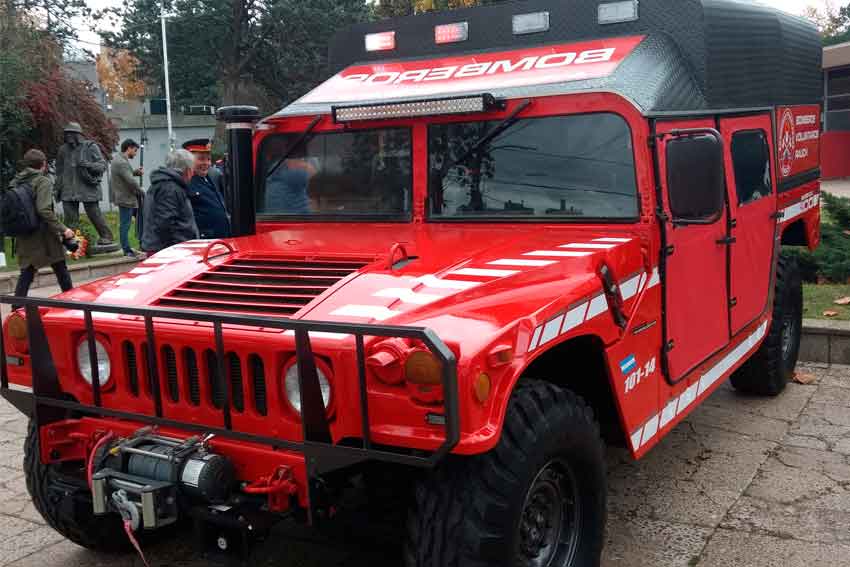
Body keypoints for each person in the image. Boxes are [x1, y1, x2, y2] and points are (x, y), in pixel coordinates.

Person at [10, 149, 75, 300]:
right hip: (43, 235)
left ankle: (16, 307)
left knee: (27, 271)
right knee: (60, 267)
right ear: (44, 164)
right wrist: (63, 229)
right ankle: (72, 302)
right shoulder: (42, 181)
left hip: (24, 233)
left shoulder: (16, 181)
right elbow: (44, 209)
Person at [54, 122, 114, 246]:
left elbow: (102, 165)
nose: (68, 136)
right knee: (70, 218)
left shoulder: (90, 147)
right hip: (68, 188)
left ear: (78, 134)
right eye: (67, 133)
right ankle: (73, 244)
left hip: (87, 187)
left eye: (71, 133)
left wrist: (89, 165)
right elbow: (59, 171)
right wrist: (57, 188)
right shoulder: (62, 150)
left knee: (94, 214)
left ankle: (106, 236)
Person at [141, 150, 199, 253]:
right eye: (192, 169)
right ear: (187, 170)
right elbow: (166, 224)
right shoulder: (170, 188)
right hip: (170, 252)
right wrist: (181, 248)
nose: (193, 173)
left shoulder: (164, 184)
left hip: (163, 249)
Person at [182, 139, 230, 239]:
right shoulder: (186, 182)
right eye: (201, 159)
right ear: (188, 160)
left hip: (219, 239)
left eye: (208, 159)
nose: (206, 163)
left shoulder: (210, 178)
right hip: (203, 241)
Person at [110, 139, 144, 257]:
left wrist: (135, 172)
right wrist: (142, 191)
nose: (135, 154)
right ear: (128, 148)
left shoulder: (119, 159)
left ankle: (132, 246)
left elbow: (125, 174)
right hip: (126, 198)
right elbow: (130, 181)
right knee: (125, 224)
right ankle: (127, 250)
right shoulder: (122, 162)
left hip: (123, 196)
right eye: (134, 151)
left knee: (128, 222)